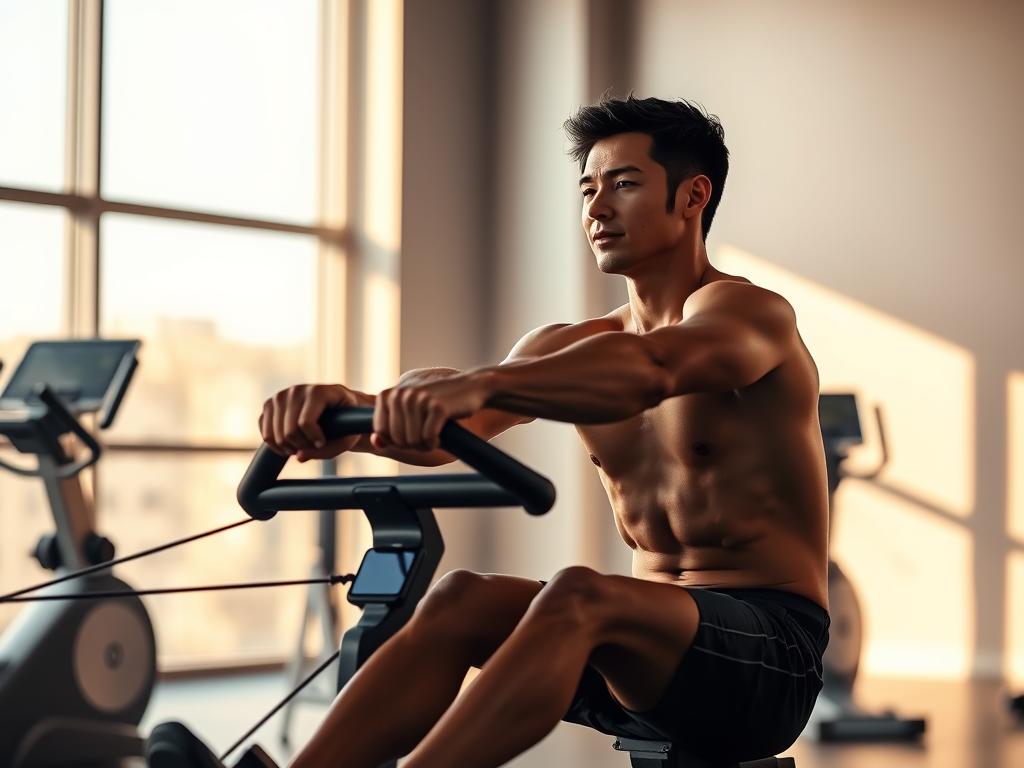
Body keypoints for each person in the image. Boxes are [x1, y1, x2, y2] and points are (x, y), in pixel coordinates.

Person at [265, 96, 829, 768]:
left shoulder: (750, 313)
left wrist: (485, 381)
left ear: (692, 197)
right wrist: (348, 417)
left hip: (771, 658)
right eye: (588, 189)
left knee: (579, 592)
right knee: (462, 598)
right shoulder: (571, 345)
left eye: (623, 184)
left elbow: (654, 367)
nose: (596, 209)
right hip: (642, 658)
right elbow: (451, 429)